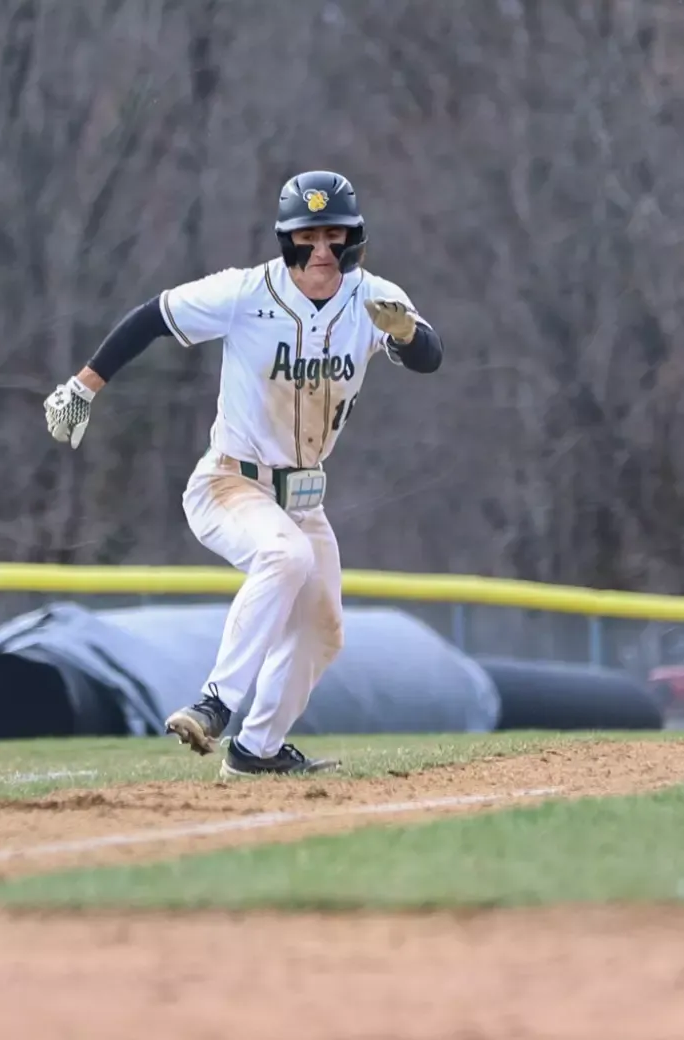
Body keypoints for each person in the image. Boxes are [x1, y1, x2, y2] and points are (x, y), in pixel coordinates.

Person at [43, 170, 443, 778]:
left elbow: (428, 357)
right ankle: (215, 703)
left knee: (323, 630)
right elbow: (153, 316)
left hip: (302, 499)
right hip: (232, 482)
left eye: (335, 237)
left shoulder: (373, 298)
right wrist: (82, 387)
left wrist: (409, 333)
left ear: (355, 240)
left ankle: (256, 753)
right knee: (285, 557)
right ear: (286, 241)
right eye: (308, 237)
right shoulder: (246, 293)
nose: (322, 252)